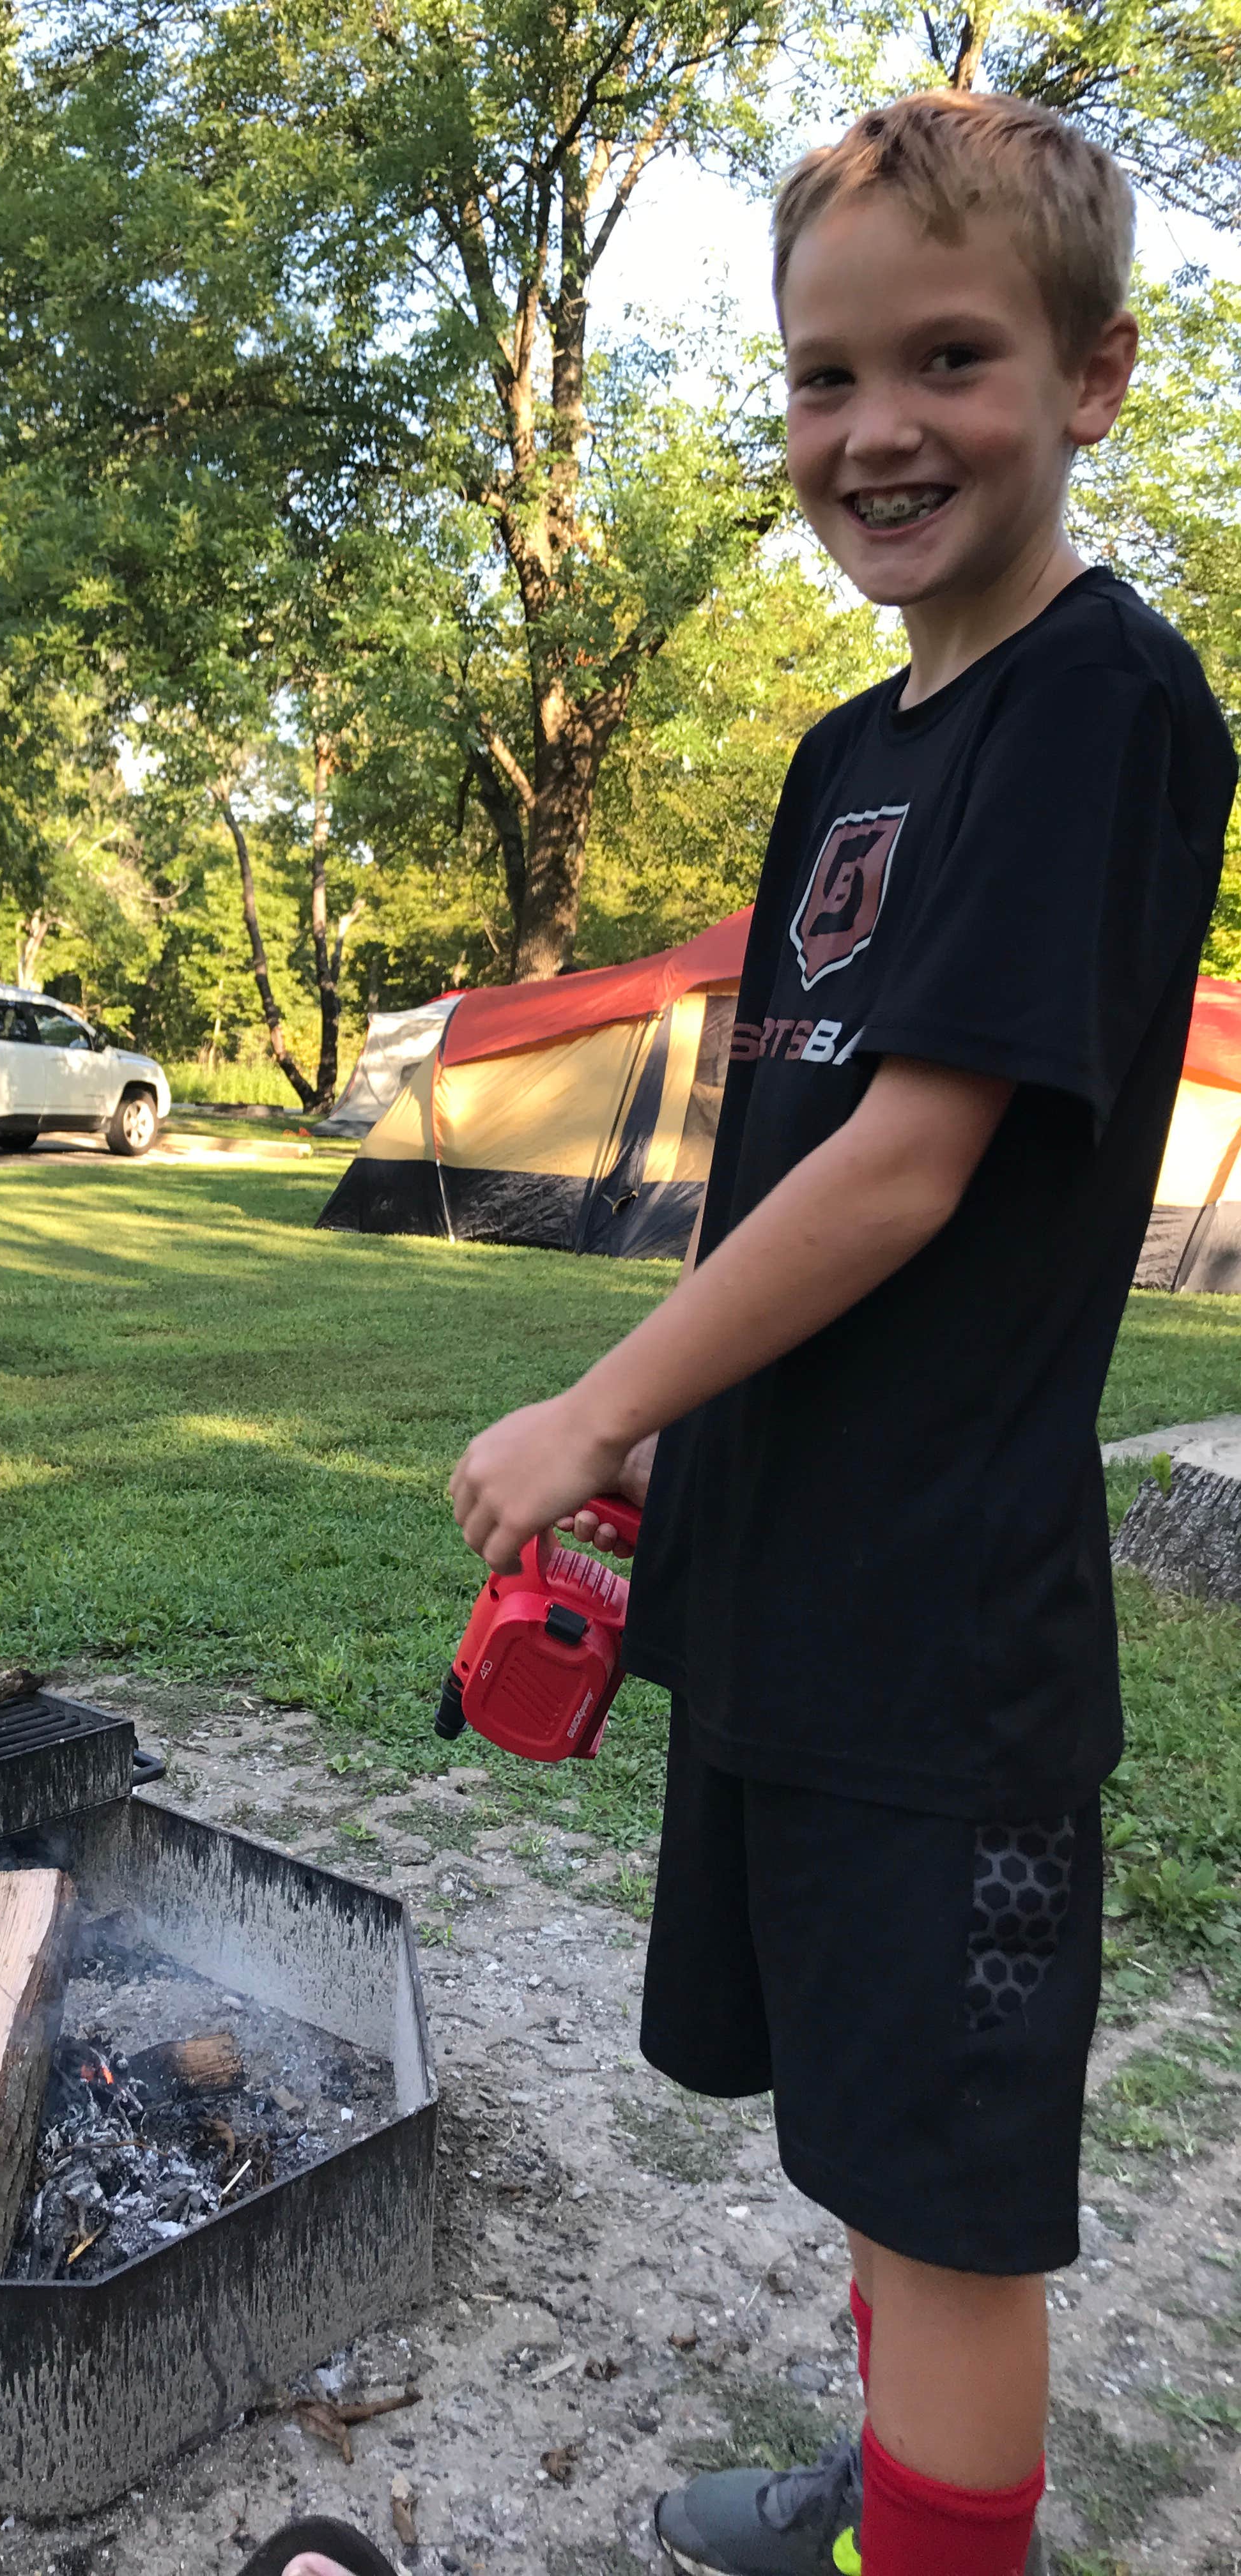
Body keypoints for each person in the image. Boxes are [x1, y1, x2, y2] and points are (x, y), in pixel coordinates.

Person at [439, 86, 1237, 2576]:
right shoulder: (842, 755)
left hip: (942, 1626)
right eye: (822, 377)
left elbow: (920, 1161)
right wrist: (685, 1435)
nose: (878, 429)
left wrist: (591, 1392)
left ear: (1094, 377)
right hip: (789, 1570)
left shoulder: (1102, 707)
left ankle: (941, 2543)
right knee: (865, 2131)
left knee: (955, 2193)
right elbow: (786, 1161)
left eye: (952, 360)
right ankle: (884, 2496)